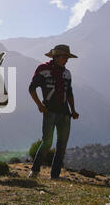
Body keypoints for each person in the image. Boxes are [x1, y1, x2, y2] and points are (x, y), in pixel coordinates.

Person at [28, 44, 79, 179]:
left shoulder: (67, 73)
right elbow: (32, 88)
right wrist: (39, 105)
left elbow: (69, 93)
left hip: (65, 113)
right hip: (49, 111)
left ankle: (55, 175)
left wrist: (73, 110)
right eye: (64, 57)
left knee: (62, 145)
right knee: (47, 142)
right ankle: (35, 171)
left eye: (68, 57)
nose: (67, 60)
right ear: (56, 57)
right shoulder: (43, 70)